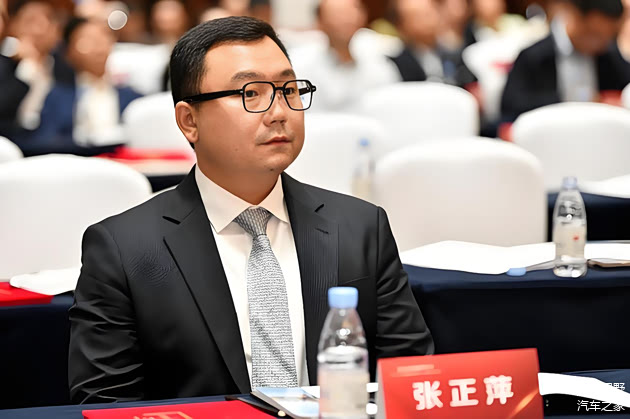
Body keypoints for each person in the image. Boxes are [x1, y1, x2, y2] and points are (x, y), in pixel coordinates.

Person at [68, 16, 433, 404]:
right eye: (251, 93)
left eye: (288, 89)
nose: (279, 112)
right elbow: (106, 403)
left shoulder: (360, 227)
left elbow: (412, 379)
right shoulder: (123, 249)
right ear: (189, 121)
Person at [501, 0, 630, 122]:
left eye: (610, 37)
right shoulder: (534, 57)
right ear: (574, 16)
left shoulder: (607, 54)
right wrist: (567, 99)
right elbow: (511, 106)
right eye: (595, 35)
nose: (601, 44)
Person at [29, 17, 141, 154]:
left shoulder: (132, 98)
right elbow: (45, 140)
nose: (98, 46)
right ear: (69, 52)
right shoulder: (57, 97)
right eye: (87, 40)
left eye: (104, 38)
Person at [291, 0, 400, 111]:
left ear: (363, 17)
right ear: (319, 22)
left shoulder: (379, 62)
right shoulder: (300, 64)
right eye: (338, 13)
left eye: (352, 11)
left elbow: (391, 105)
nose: (347, 19)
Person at [388, 0, 477, 88]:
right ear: (401, 25)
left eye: (430, 11)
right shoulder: (398, 66)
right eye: (418, 16)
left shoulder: (455, 50)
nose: (430, 18)